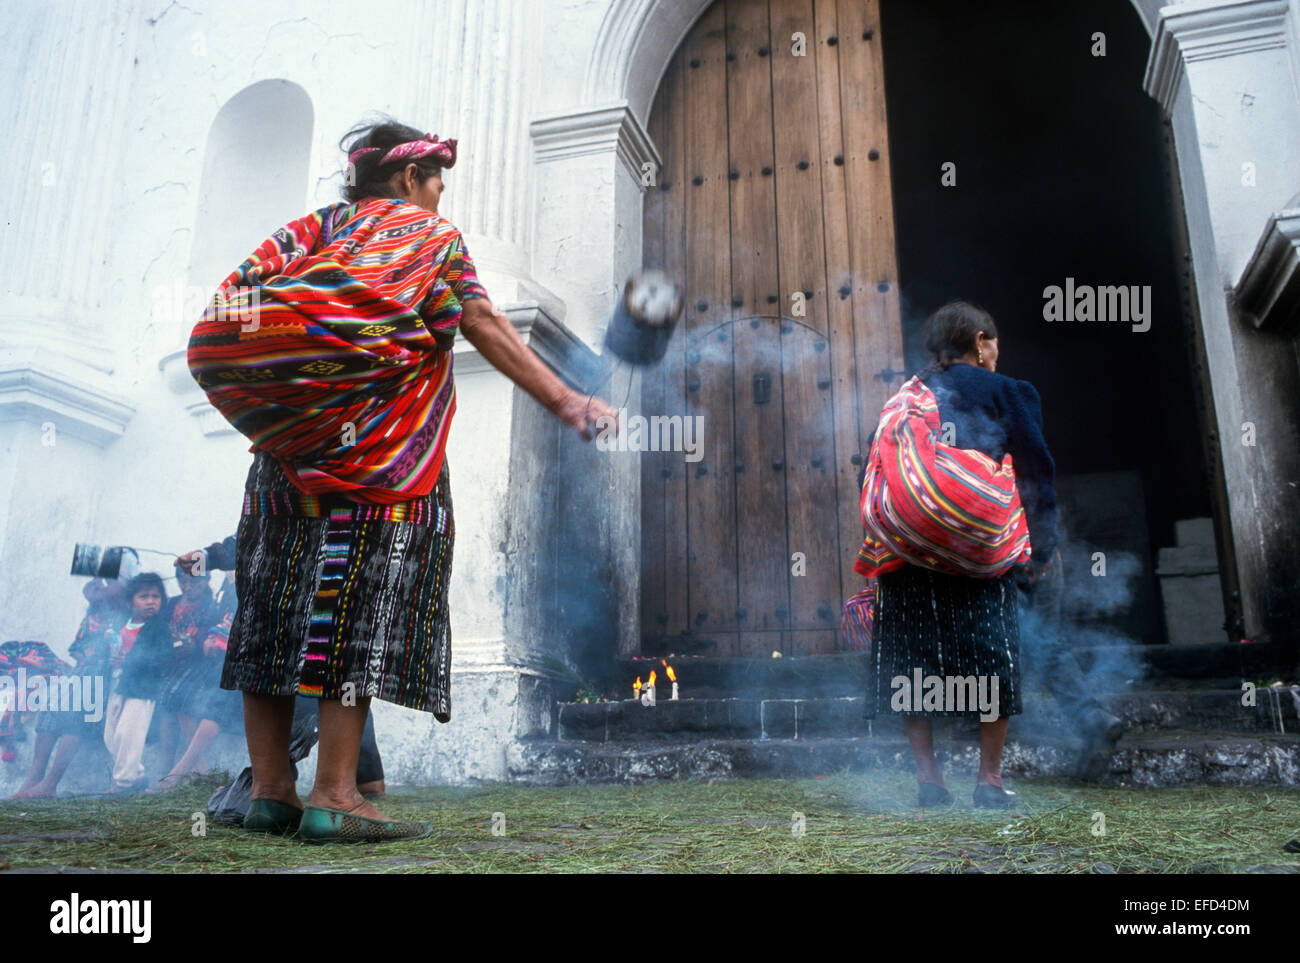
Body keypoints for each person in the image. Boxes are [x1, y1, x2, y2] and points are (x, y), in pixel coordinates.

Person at [187, 117, 617, 842]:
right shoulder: (433, 240)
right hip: (384, 461)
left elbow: (229, 310)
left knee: (271, 605)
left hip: (285, 457)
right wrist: (567, 399)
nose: (441, 197)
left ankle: (270, 790)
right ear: (408, 178)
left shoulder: (306, 232)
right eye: (437, 182)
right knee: (353, 612)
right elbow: (479, 317)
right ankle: (336, 794)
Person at [863, 300, 1059, 809]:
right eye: (994, 342)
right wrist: (1042, 545)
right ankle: (989, 782)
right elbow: (1036, 469)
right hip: (983, 553)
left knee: (913, 663)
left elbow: (882, 466)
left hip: (909, 555)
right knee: (993, 658)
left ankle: (930, 781)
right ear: (979, 341)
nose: (998, 351)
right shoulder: (1009, 392)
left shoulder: (905, 400)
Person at [8, 588, 121, 799]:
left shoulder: (124, 618)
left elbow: (120, 652)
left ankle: (50, 784)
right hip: (80, 672)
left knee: (75, 717)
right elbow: (75, 647)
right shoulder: (91, 617)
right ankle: (34, 778)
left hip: (104, 677)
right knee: (50, 711)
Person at [102, 573, 170, 793]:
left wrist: (129, 660)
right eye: (144, 596)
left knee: (128, 733)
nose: (151, 601)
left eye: (155, 596)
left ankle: (124, 783)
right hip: (119, 685)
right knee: (111, 736)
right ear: (130, 600)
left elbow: (162, 657)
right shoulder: (122, 624)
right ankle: (138, 775)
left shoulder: (158, 628)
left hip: (143, 690)